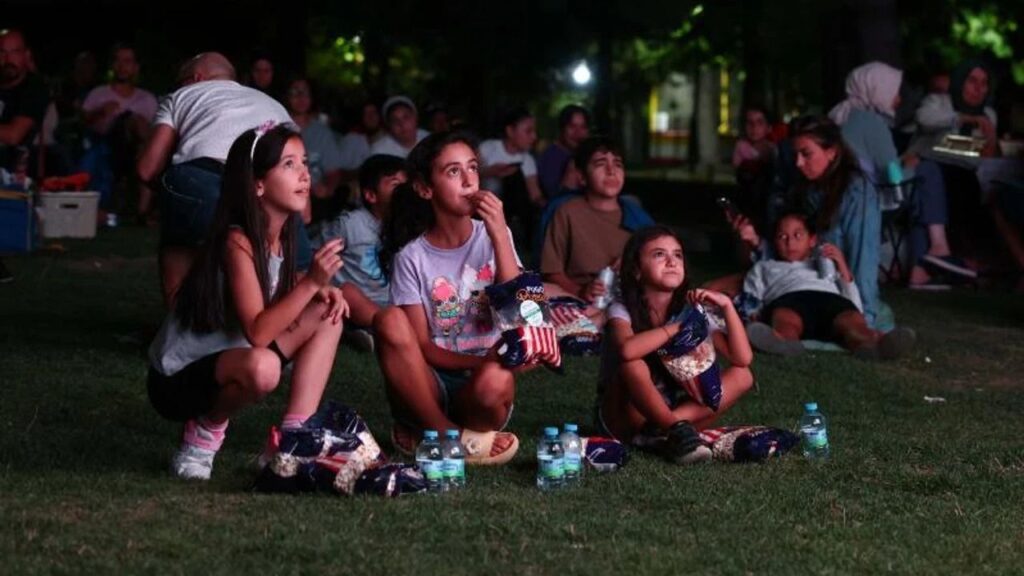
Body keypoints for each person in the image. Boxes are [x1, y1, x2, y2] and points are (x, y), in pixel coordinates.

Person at [147, 124, 348, 480]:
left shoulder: (282, 236)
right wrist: (311, 282)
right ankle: (203, 434)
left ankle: (293, 440)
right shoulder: (236, 240)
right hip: (178, 380)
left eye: (304, 162)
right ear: (258, 185)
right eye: (288, 164)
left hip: (233, 359)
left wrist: (316, 288)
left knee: (329, 309)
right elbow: (258, 332)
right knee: (264, 368)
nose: (304, 174)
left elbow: (274, 286)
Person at [373, 131, 523, 465]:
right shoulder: (412, 257)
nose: (469, 180)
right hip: (427, 381)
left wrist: (499, 233)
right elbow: (423, 347)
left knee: (495, 380)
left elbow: (522, 316)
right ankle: (445, 432)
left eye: (473, 168)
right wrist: (477, 362)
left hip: (481, 386)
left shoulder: (496, 236)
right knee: (388, 319)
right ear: (425, 189)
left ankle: (430, 432)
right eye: (453, 171)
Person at [136, 52, 293, 306]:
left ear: (197, 78)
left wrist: (167, 193)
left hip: (200, 178)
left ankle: (181, 320)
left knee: (178, 239)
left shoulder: (182, 95)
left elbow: (147, 169)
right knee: (293, 263)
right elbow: (296, 173)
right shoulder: (275, 106)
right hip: (265, 188)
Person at [597, 225, 754, 464]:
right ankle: (675, 431)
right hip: (623, 416)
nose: (671, 262)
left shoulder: (690, 309)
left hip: (669, 411)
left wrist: (727, 306)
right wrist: (678, 327)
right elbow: (627, 350)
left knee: (744, 376)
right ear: (637, 270)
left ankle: (667, 435)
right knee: (633, 365)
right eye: (659, 254)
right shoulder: (621, 308)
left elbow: (742, 359)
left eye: (677, 255)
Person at [829, 61, 976, 290]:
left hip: (847, 198)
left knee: (920, 189)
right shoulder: (870, 122)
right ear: (876, 89)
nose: (898, 100)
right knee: (926, 174)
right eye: (893, 92)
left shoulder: (841, 118)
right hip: (872, 199)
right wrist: (907, 163)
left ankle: (922, 267)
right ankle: (937, 249)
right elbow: (892, 173)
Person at [748, 117, 883, 329]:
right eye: (795, 155)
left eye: (806, 154)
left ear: (832, 152)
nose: (798, 163)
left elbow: (863, 259)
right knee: (723, 286)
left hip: (832, 286)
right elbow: (785, 247)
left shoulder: (857, 193)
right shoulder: (802, 186)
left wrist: (864, 317)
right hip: (794, 278)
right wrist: (755, 241)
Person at [742, 212, 915, 358]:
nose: (790, 243)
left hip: (829, 300)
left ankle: (872, 344)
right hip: (790, 299)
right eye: (782, 237)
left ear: (812, 240)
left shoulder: (824, 264)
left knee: (852, 322)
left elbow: (853, 301)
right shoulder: (765, 267)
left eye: (798, 235)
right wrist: (752, 313)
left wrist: (842, 264)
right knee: (785, 319)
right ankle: (784, 342)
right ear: (774, 241)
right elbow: (750, 292)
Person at [540, 136, 653, 313]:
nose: (611, 171)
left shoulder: (638, 217)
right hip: (579, 304)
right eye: (601, 163)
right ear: (582, 177)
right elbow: (552, 272)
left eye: (618, 164)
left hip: (628, 304)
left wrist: (635, 260)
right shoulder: (567, 212)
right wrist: (580, 291)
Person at [311, 154, 406, 345]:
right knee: (348, 291)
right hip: (355, 302)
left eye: (406, 184)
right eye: (396, 184)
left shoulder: (406, 226)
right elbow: (315, 253)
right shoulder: (351, 224)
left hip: (391, 303)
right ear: (371, 195)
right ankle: (376, 329)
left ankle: (371, 331)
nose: (404, 191)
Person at [81, 44, 159, 221]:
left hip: (138, 150)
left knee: (138, 126)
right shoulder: (98, 94)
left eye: (127, 61)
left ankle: (142, 209)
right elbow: (84, 122)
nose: (122, 66)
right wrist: (101, 111)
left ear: (136, 67)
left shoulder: (147, 99)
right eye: (118, 61)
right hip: (106, 147)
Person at [0, 29, 50, 284]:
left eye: (15, 52)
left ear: (26, 56)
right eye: (2, 52)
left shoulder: (34, 88)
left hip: (14, 169)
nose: (7, 59)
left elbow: (13, 135)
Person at [479, 106, 545, 249]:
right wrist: (491, 172)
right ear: (510, 131)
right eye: (528, 131)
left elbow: (535, 195)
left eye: (534, 131)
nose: (534, 137)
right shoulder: (487, 148)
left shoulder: (527, 160)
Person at [284, 76, 344, 222]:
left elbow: (333, 172)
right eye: (295, 92)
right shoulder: (279, 128)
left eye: (305, 92)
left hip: (316, 200)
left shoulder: (322, 132)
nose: (300, 97)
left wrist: (327, 189)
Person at [732, 105, 776, 223]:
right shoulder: (741, 147)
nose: (754, 127)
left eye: (759, 123)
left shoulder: (773, 149)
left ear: (768, 127)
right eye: (749, 123)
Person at [536, 104, 589, 199]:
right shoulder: (550, 157)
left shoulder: (585, 154)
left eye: (583, 127)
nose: (578, 133)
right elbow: (553, 196)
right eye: (572, 126)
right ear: (562, 128)